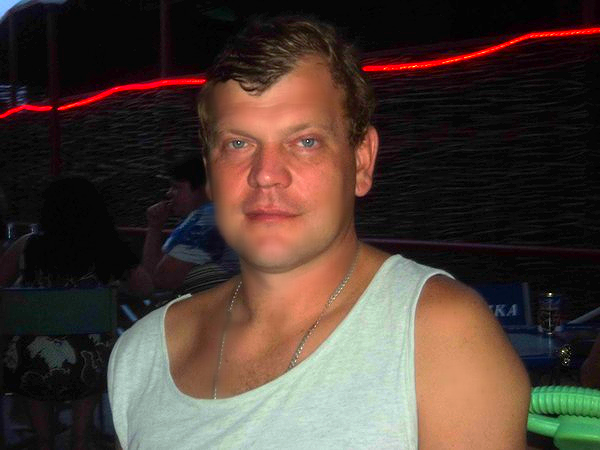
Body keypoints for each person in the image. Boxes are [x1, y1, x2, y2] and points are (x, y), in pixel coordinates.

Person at [108, 16, 531, 449]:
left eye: (306, 141)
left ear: (361, 162)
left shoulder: (440, 336)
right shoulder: (142, 356)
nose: (265, 174)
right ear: (211, 173)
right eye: (238, 143)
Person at [0, 176, 151, 450]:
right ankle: (80, 438)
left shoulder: (26, 246)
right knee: (92, 348)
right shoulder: (108, 248)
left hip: (30, 366)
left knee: (28, 349)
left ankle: (44, 440)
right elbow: (145, 287)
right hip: (88, 369)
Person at [141, 155, 237, 295]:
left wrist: (154, 228)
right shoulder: (218, 213)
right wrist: (155, 226)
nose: (169, 193)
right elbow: (157, 272)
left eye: (176, 187)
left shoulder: (207, 218)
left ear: (203, 189)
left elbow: (161, 281)